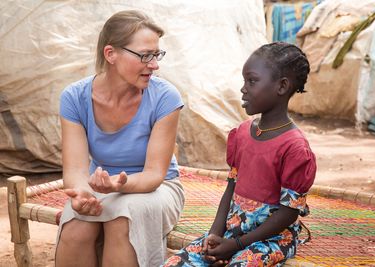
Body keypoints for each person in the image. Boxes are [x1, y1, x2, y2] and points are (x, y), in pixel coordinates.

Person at [162, 42, 317, 266]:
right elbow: (231, 187)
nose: (243, 88)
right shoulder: (243, 133)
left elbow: (288, 213)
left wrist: (236, 246)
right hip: (232, 232)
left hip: (271, 240)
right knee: (176, 262)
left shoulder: (295, 148)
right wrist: (215, 235)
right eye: (244, 81)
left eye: (252, 81)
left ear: (282, 86)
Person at [55, 10, 185, 267]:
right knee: (76, 228)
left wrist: (115, 185)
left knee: (121, 220)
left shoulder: (165, 97)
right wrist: (82, 194)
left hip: (157, 189)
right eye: (145, 55)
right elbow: (76, 170)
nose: (154, 64)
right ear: (110, 54)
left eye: (156, 55)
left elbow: (153, 175)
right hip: (99, 186)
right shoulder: (74, 98)